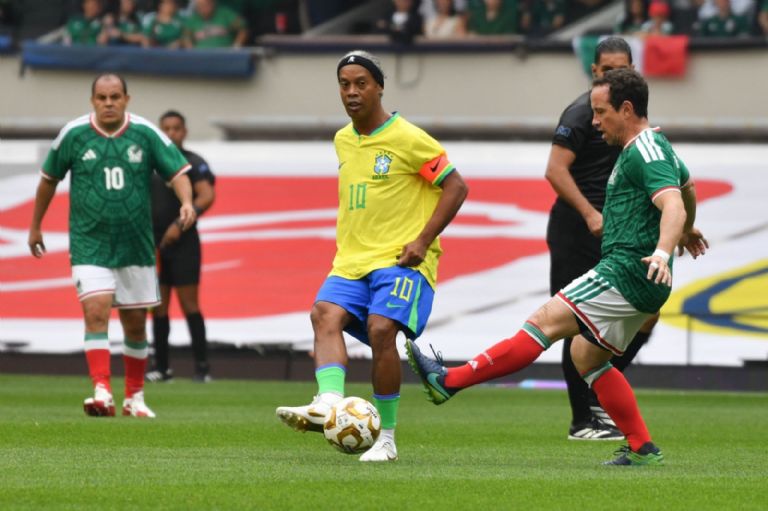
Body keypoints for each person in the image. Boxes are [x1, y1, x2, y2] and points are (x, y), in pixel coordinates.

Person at [407, 68, 708, 466]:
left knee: (543, 323)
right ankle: (641, 447)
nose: (595, 122)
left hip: (626, 271)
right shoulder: (656, 146)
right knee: (587, 357)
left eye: (601, 112)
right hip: (640, 278)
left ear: (628, 108)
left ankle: (450, 380)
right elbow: (685, 188)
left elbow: (671, 201)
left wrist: (664, 249)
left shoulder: (644, 150)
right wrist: (686, 229)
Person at [276, 50, 468, 462]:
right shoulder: (343, 139)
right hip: (351, 260)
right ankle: (328, 402)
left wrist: (422, 240)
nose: (352, 92)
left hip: (401, 260)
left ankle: (387, 439)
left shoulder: (409, 138)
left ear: (379, 86)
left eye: (361, 83)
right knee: (323, 314)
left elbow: (457, 187)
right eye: (344, 84)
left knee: (382, 330)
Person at [28, 73, 196, 418]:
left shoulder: (145, 133)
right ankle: (101, 390)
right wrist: (35, 226)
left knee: (135, 323)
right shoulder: (74, 135)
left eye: (115, 97)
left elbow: (178, 172)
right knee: (96, 311)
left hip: (136, 245)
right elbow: (48, 180)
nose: (108, 103)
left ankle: (134, 397)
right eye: (102, 97)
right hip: (90, 243)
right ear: (92, 101)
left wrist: (187, 202)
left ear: (126, 99)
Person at [546, 37, 659, 442]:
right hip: (577, 230)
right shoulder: (581, 113)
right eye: (605, 69)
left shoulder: (628, 113)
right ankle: (583, 420)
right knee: (575, 322)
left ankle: (598, 390)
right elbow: (555, 170)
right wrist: (591, 213)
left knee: (647, 315)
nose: (612, 75)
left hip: (615, 232)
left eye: (620, 68)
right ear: (594, 71)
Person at [146, 110, 216, 383]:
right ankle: (162, 368)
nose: (172, 133)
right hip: (154, 243)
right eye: (167, 128)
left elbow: (207, 195)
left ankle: (202, 368)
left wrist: (181, 224)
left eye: (177, 128)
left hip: (185, 243)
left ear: (184, 131)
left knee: (190, 304)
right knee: (158, 305)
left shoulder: (193, 162)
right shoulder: (150, 164)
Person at [184, 0, 248, 48]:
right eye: (199, 7)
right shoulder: (193, 19)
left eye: (205, 5)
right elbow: (186, 37)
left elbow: (243, 30)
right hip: (200, 57)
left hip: (224, 55)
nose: (202, 9)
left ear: (212, 4)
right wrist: (191, 51)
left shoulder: (225, 14)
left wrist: (236, 47)